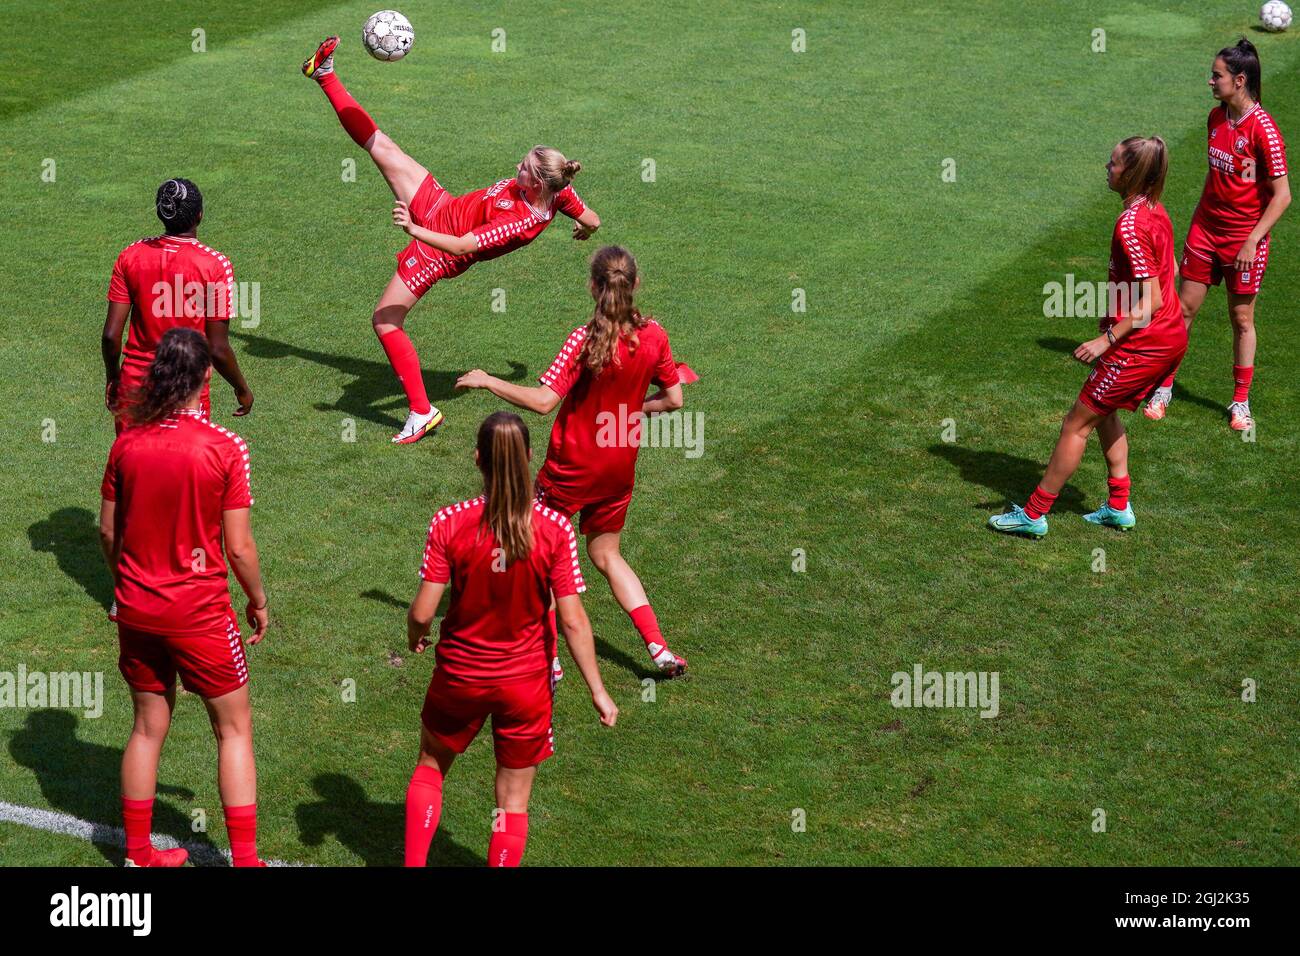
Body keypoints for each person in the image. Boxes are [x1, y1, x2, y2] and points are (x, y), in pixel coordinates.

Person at [302, 36, 603, 444]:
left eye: (523, 168)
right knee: (382, 147)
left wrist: (413, 230)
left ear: (535, 185)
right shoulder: (558, 191)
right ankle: (324, 75)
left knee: (385, 320)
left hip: (438, 248)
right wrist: (585, 227)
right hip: (442, 205)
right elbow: (593, 219)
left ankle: (421, 412)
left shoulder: (518, 220)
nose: (517, 166)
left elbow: (462, 247)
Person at [457, 246, 689, 675]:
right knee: (607, 556)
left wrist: (489, 380)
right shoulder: (655, 335)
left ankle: (550, 659)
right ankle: (659, 649)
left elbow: (545, 402)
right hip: (618, 469)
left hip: (570, 471)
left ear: (593, 287)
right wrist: (633, 411)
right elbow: (674, 399)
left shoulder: (585, 341)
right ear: (635, 285)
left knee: (537, 556)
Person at [404, 412, 617, 867]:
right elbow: (574, 621)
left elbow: (423, 611)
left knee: (430, 767)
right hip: (526, 684)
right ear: (528, 459)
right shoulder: (554, 530)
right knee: (512, 803)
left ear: (478, 458)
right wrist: (598, 691)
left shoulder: (448, 522)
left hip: (461, 674)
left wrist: (416, 636)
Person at [99, 328, 269, 867]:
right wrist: (258, 600)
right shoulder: (224, 448)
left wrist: (124, 581)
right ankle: (244, 861)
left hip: (136, 610)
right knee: (233, 729)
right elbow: (239, 547)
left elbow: (107, 532)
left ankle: (137, 855)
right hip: (199, 615)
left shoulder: (125, 444)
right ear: (204, 378)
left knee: (147, 728)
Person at [989, 137, 1186, 538]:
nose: (1106, 168)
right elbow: (1174, 273)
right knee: (1104, 412)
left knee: (1076, 424)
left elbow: (1151, 300)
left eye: (1113, 164)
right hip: (1166, 337)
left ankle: (1034, 514)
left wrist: (1107, 338)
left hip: (1142, 342)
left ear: (1130, 173)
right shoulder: (1155, 210)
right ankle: (1118, 505)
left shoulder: (1130, 224)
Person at [1144, 39, 1289, 429]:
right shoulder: (1215, 119)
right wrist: (1194, 227)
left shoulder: (1265, 132)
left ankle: (1240, 402)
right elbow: (1215, 177)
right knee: (1182, 310)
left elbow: (1283, 196)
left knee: (1241, 319)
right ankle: (1163, 387)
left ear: (1239, 81)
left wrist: (1251, 241)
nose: (1211, 81)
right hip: (1206, 232)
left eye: (1217, 75)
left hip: (1244, 240)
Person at [103, 178, 254, 433]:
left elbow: (110, 336)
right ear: (200, 215)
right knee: (181, 469)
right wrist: (241, 388)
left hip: (135, 389)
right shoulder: (215, 266)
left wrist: (113, 378)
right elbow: (217, 348)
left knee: (133, 467)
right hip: (187, 392)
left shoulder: (131, 255)